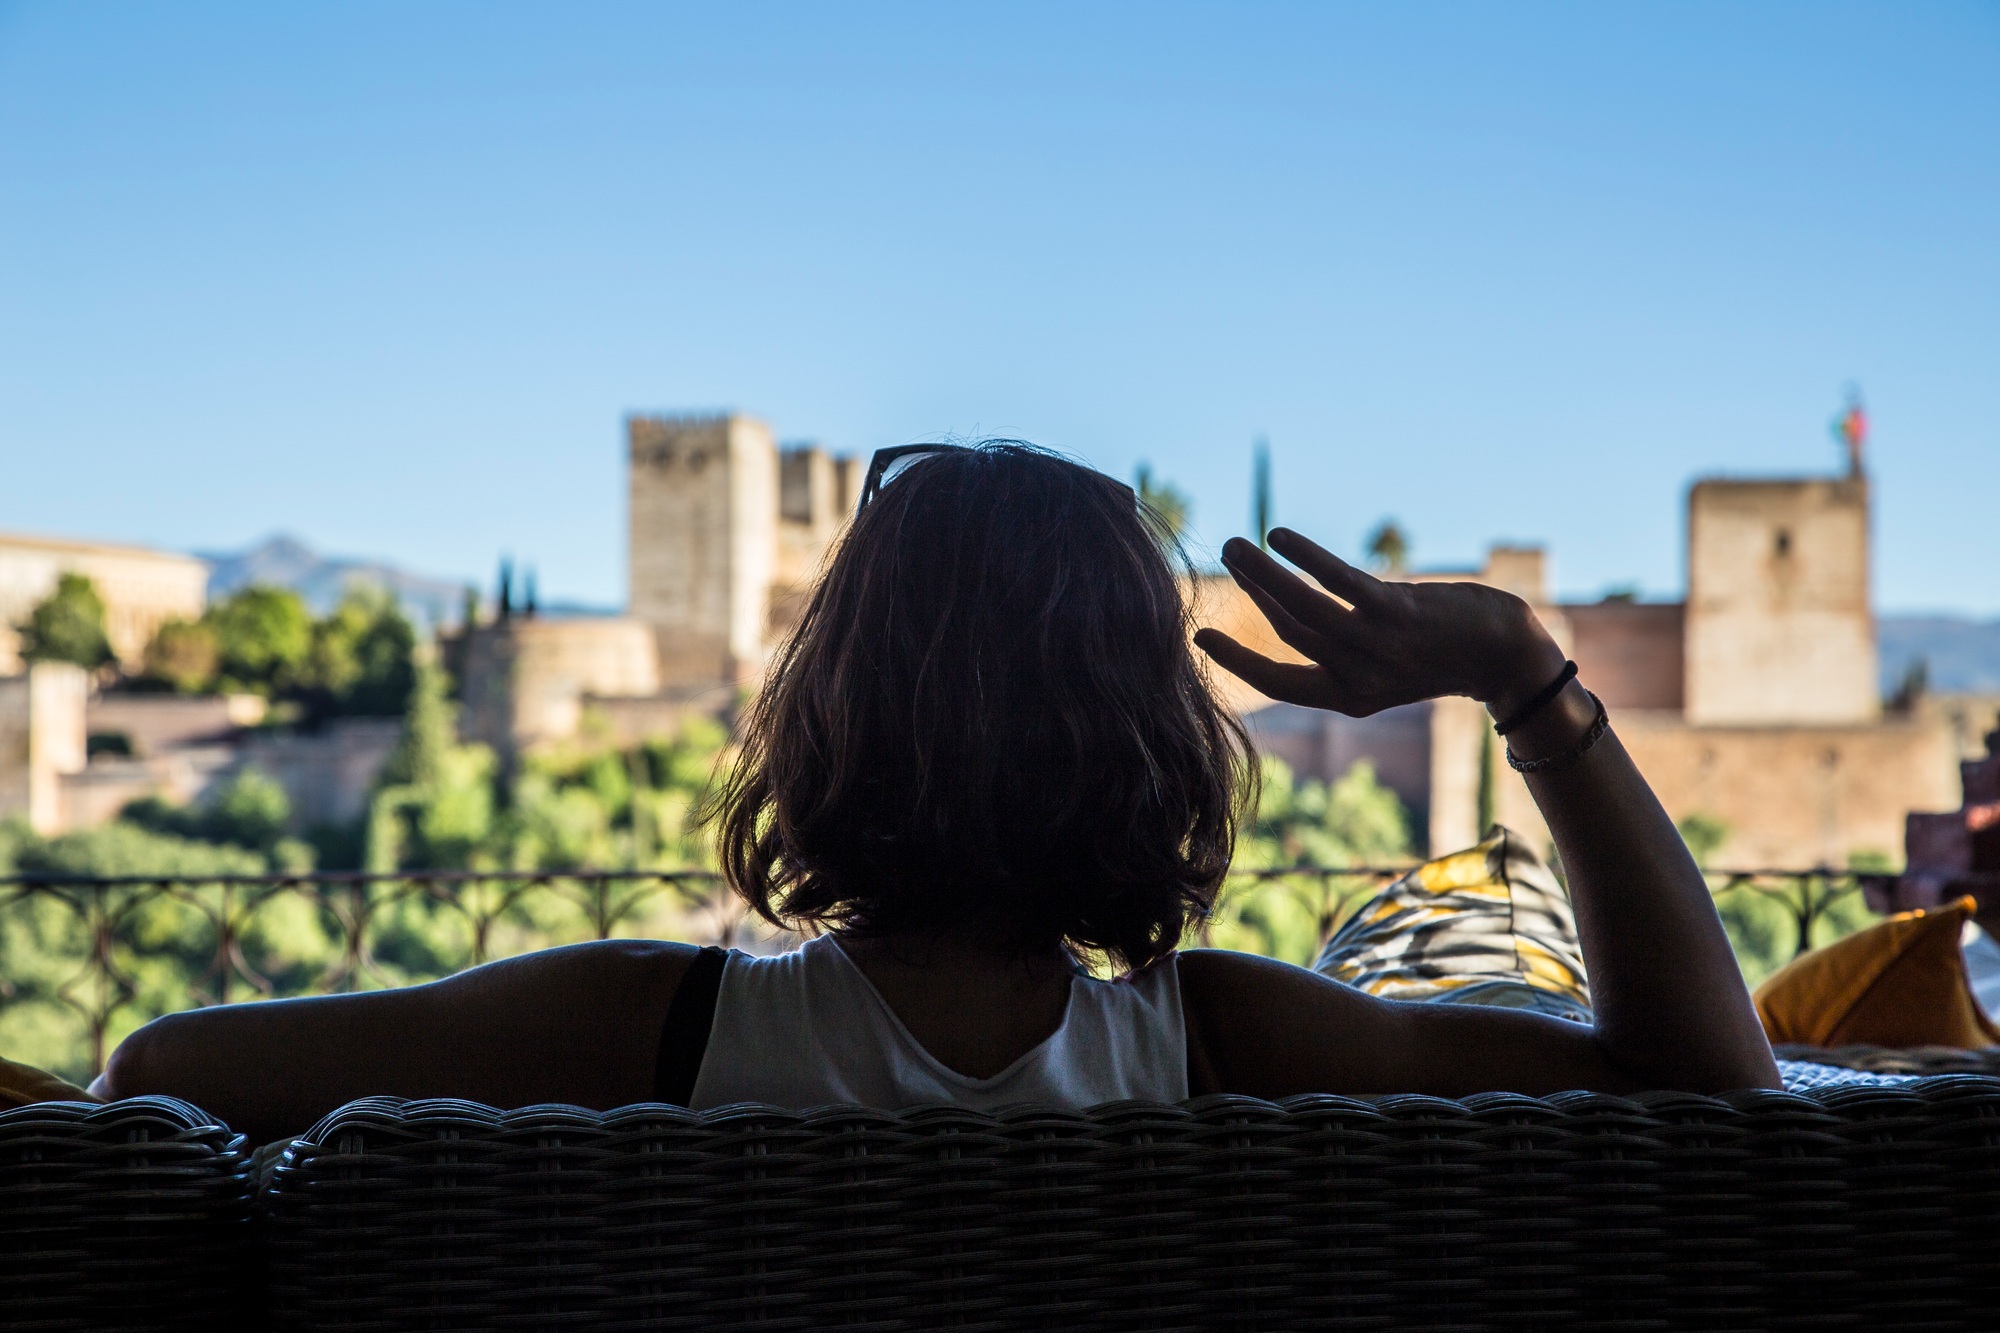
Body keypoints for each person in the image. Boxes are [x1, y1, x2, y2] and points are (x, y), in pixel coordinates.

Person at [97, 444, 1778, 1143]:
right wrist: (1527, 682)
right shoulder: (1230, 1042)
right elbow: (1714, 1091)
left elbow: (158, 1070)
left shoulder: (639, 1028)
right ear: (1160, 752)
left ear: (820, 717)